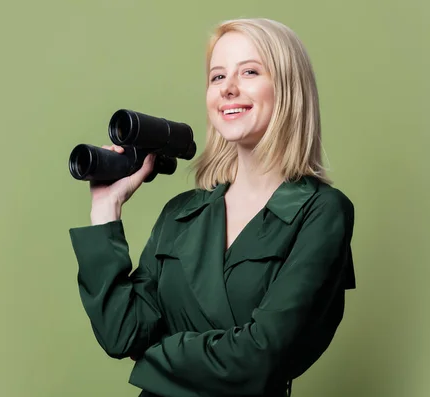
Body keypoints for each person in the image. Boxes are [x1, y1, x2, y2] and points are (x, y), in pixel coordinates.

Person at [68, 18, 356, 397]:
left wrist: (154, 354)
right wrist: (105, 212)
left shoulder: (320, 211)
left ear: (288, 88)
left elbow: (261, 356)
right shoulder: (182, 212)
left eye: (249, 71)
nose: (229, 89)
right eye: (217, 77)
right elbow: (123, 334)